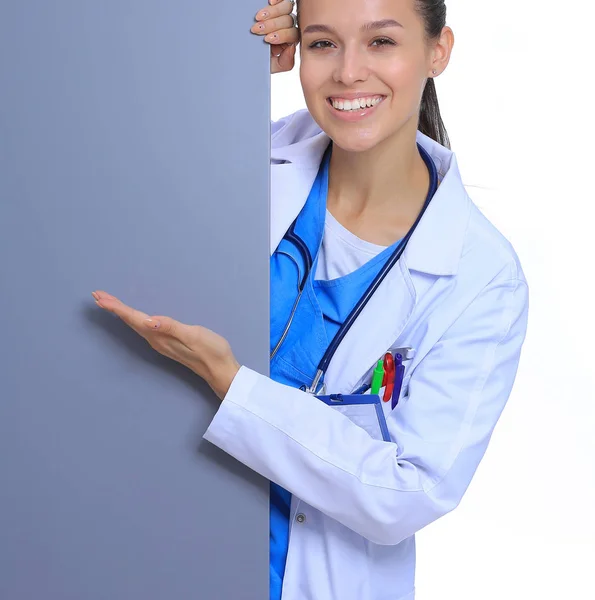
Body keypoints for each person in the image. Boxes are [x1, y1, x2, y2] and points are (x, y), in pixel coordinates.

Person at [92, 0, 530, 598]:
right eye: (323, 44)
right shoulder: (241, 164)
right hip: (152, 537)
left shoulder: (481, 279)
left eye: (380, 42)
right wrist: (231, 71)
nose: (348, 73)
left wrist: (232, 384)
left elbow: (410, 492)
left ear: (438, 50)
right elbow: (95, 177)